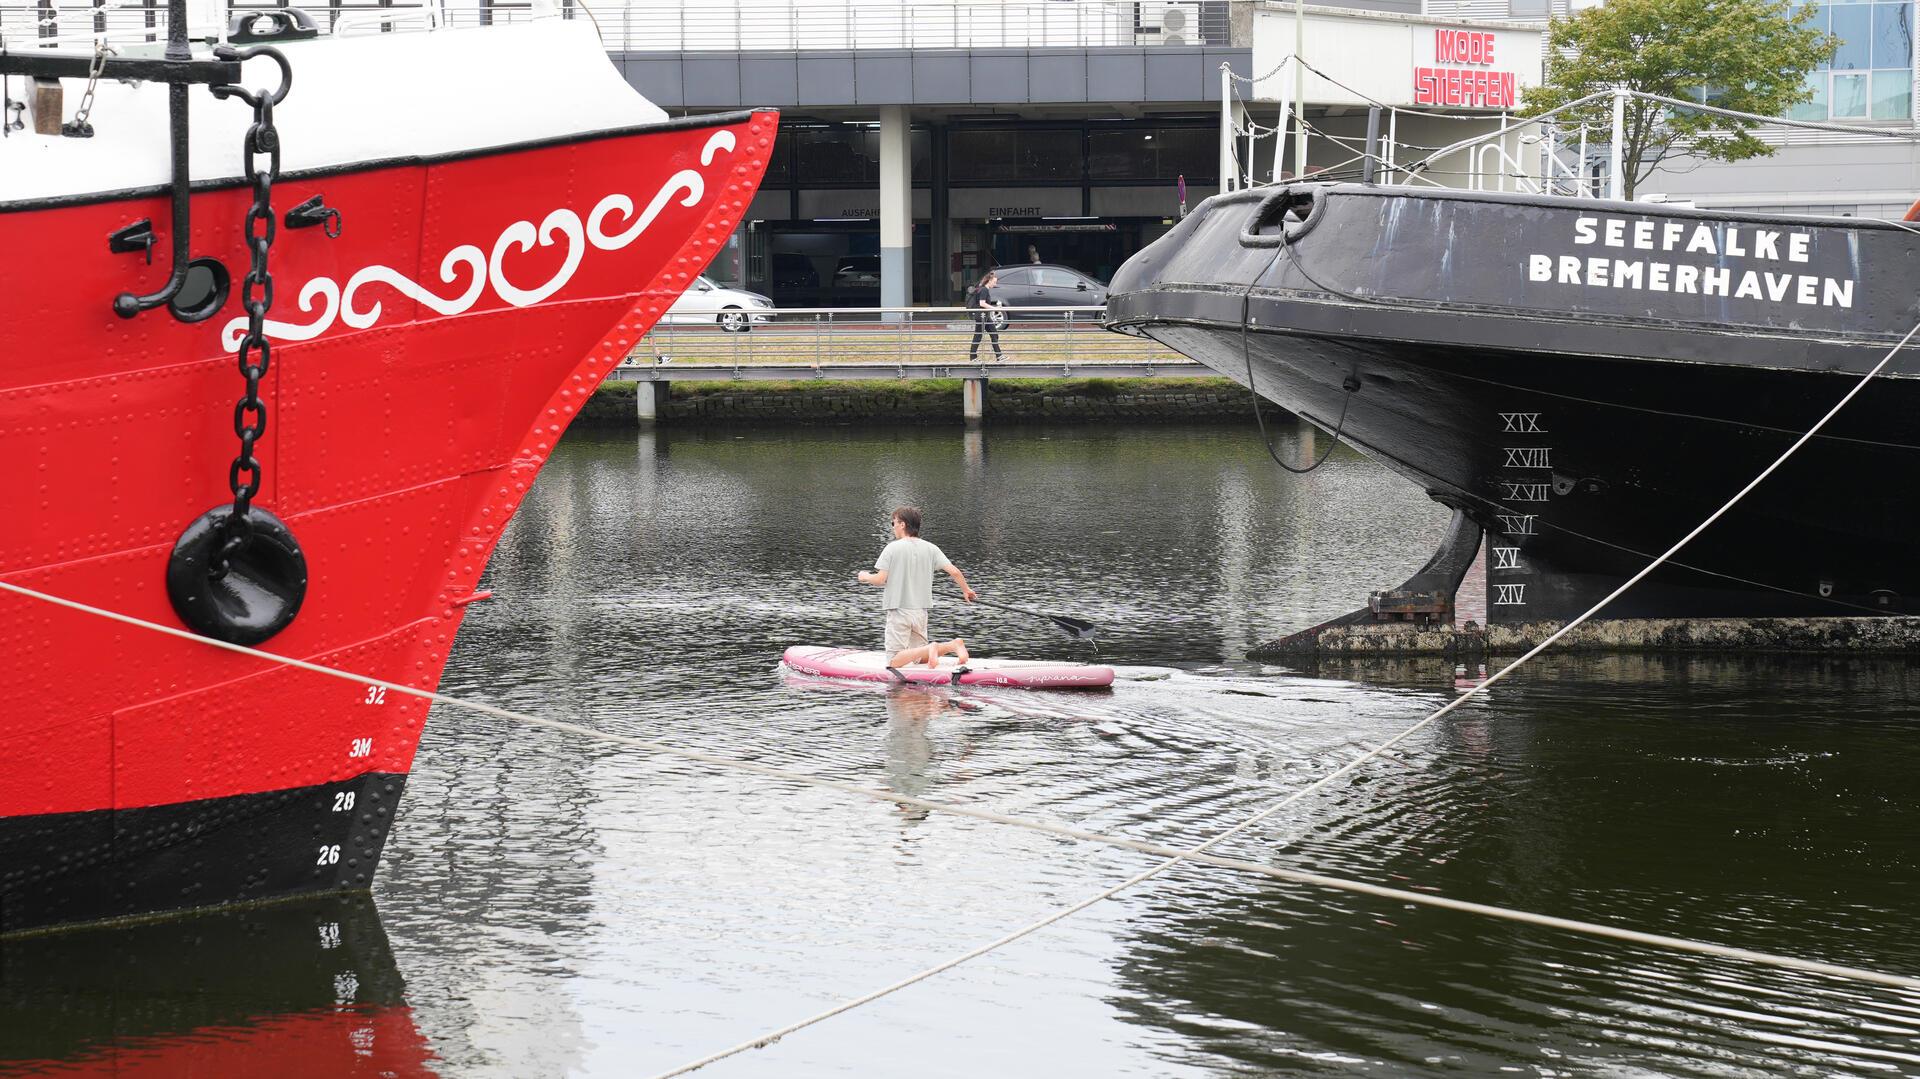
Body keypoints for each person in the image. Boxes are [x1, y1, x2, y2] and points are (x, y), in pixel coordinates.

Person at [857, 505, 977, 669]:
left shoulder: (892, 548)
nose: (893, 528)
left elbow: (880, 579)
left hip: (899, 609)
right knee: (919, 658)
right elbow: (954, 572)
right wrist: (966, 590)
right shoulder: (931, 548)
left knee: (893, 661)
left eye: (894, 523)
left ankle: (931, 647)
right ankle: (953, 645)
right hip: (920, 611)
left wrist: (865, 577)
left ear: (902, 524)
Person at [966, 270, 1005, 362]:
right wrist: (994, 308)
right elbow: (982, 303)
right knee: (978, 336)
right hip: (982, 316)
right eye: (994, 282)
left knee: (994, 333)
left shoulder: (984, 289)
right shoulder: (984, 290)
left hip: (986, 316)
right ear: (989, 281)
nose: (995, 284)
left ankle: (999, 356)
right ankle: (973, 357)